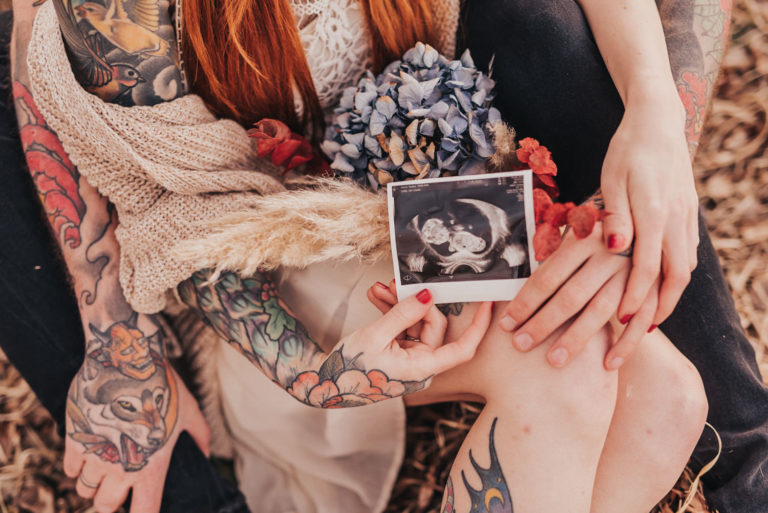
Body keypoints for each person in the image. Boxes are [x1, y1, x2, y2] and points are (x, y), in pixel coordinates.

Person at [1, 3, 764, 513]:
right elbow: (177, 219)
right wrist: (313, 374)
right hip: (263, 251)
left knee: (667, 400)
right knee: (566, 376)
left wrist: (657, 115)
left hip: (403, 209)